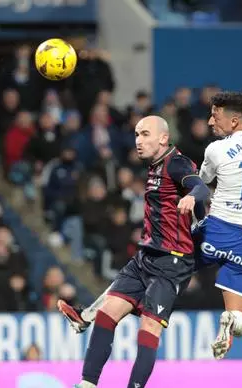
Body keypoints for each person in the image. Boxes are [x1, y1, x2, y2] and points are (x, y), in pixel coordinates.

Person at [59, 92, 242, 361]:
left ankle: (87, 316)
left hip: (213, 230)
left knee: (146, 265)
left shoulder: (216, 150)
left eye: (215, 116)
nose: (209, 121)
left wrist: (186, 211)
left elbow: (198, 186)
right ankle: (229, 321)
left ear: (233, 120)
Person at [72, 116, 209, 388]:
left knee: (148, 328)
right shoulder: (155, 166)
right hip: (145, 257)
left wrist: (194, 197)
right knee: (106, 313)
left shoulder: (177, 163)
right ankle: (87, 383)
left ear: (163, 138)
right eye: (136, 134)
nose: (138, 140)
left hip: (172, 262)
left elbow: (201, 186)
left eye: (145, 134)